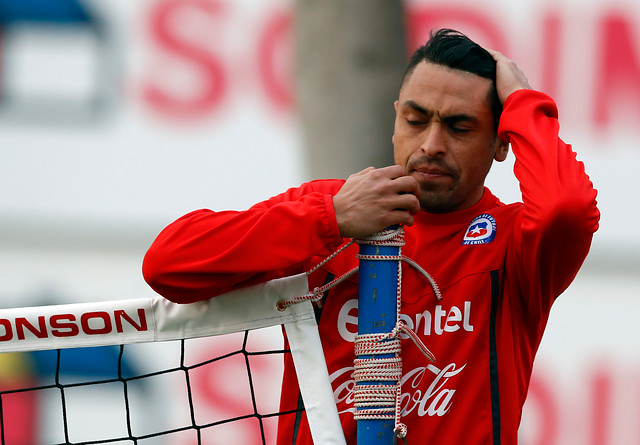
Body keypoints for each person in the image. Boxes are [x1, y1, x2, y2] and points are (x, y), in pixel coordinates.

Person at [143, 29, 599, 444]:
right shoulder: (332, 211)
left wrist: (522, 102)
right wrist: (330, 218)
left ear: (502, 143)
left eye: (460, 127)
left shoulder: (514, 243)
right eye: (416, 120)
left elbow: (567, 207)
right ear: (396, 117)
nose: (431, 144)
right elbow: (167, 265)